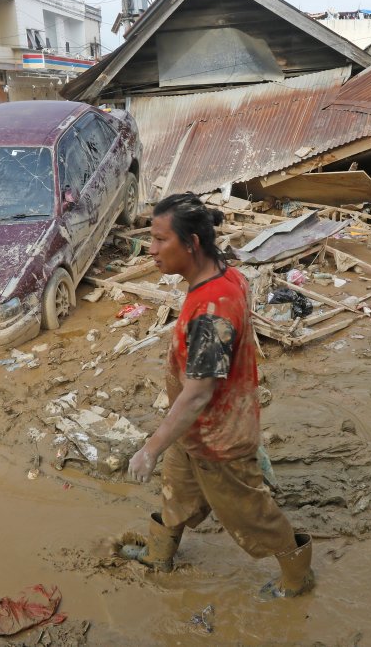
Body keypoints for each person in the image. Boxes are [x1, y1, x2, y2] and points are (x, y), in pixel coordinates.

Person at [119, 193, 314, 598]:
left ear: (191, 243)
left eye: (160, 240)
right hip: (190, 432)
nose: (150, 250)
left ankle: (297, 578)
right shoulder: (226, 276)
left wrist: (150, 449)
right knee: (176, 494)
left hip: (218, 437)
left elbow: (197, 395)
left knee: (252, 515)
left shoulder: (212, 311)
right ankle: (158, 555)